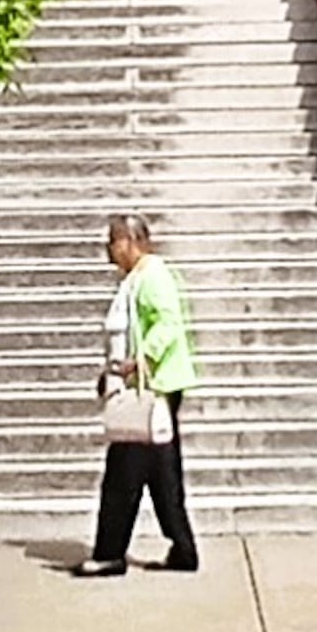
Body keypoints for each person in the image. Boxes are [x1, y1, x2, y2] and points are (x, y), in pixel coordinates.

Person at [74, 211, 199, 575]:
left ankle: (110, 552)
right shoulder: (136, 279)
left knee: (122, 476)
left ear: (133, 242)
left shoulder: (152, 276)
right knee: (162, 477)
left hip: (151, 388)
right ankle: (183, 548)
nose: (108, 250)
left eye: (113, 241)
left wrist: (139, 361)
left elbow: (168, 322)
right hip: (148, 388)